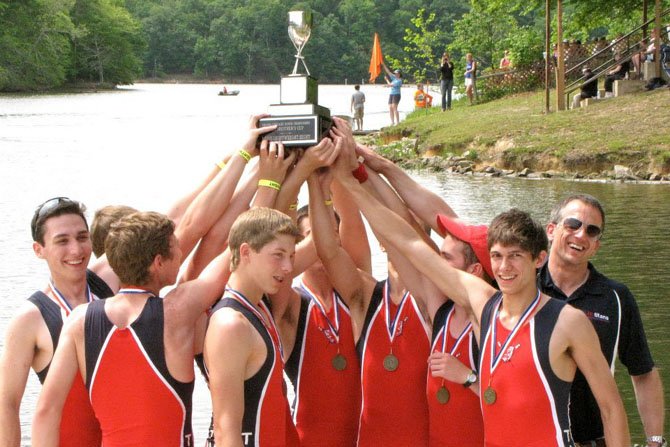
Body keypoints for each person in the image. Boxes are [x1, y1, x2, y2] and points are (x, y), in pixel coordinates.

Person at [330, 137, 631, 446]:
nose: (504, 268)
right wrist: (347, 180)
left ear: (538, 259)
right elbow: (408, 241)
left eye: (515, 256)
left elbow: (610, 407)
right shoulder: (482, 304)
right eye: (498, 256)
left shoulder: (567, 321)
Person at [31, 209, 232, 446]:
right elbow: (233, 254)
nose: (181, 253)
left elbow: (46, 411)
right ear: (158, 262)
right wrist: (268, 183)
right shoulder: (176, 312)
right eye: (176, 247)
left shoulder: (79, 321)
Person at [540, 194, 665, 447]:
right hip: (533, 439)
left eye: (592, 230)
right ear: (551, 230)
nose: (581, 235)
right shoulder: (523, 287)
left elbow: (643, 373)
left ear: (596, 245)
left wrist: (655, 441)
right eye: (573, 224)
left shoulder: (616, 298)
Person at [0, 198, 120, 447]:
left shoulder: (107, 280)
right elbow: (7, 405)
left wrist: (223, 170)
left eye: (82, 237)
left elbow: (180, 224)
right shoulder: (30, 319)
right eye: (62, 241)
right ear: (38, 250)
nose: (76, 250)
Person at [204, 207, 302, 447]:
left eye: (291, 256)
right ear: (246, 252)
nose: (288, 267)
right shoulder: (230, 324)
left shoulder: (260, 309)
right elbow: (225, 428)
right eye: (278, 255)